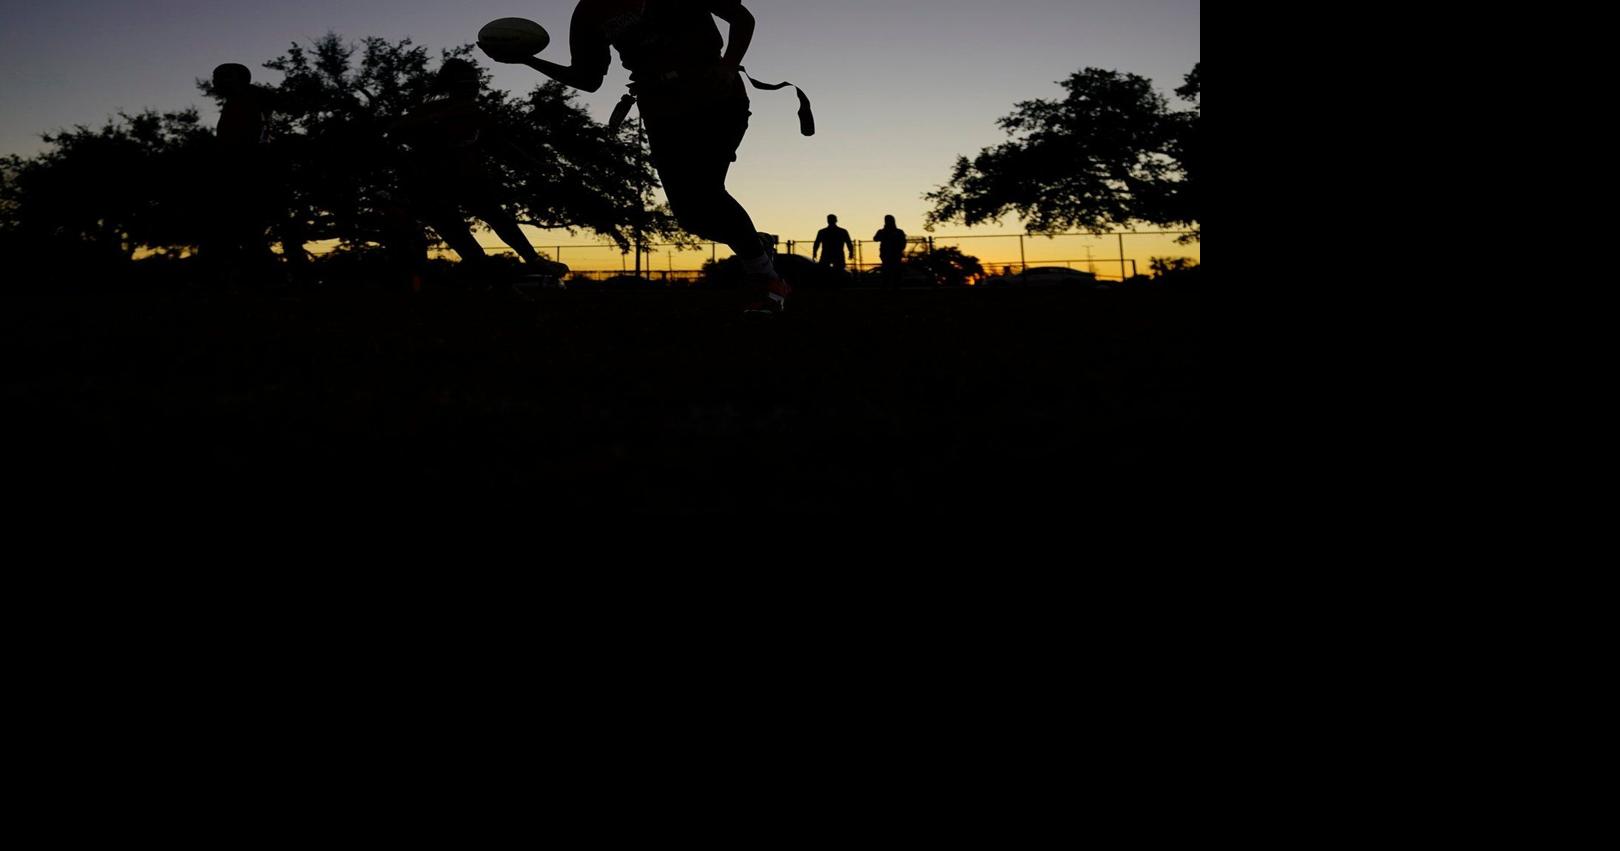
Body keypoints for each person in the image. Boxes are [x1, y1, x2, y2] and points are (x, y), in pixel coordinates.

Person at [488, 1, 791, 315]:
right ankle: (755, 244)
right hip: (661, 112)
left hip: (716, 98)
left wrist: (728, 65)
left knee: (706, 190)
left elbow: (741, 18)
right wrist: (528, 60)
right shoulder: (590, 11)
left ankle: (768, 283)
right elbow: (586, 78)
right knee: (690, 217)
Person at [386, 59, 568, 285]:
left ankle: (531, 258)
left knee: (498, 217)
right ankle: (496, 289)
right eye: (466, 82)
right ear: (453, 85)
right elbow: (395, 132)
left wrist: (537, 164)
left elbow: (503, 146)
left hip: (469, 182)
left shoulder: (477, 115)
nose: (473, 87)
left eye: (475, 82)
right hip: (432, 188)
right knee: (469, 248)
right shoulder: (430, 110)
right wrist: (440, 118)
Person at [205, 62, 311, 287]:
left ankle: (289, 279)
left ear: (241, 78)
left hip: (253, 171)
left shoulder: (252, 98)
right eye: (216, 77)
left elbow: (256, 134)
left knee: (260, 228)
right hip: (246, 170)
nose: (217, 81)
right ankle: (279, 278)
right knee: (251, 231)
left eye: (223, 76)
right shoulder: (237, 102)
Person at [873, 215, 907, 288]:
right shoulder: (883, 231)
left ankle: (894, 285)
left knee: (894, 270)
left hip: (894, 253)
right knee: (888, 270)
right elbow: (875, 238)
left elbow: (903, 242)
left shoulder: (898, 232)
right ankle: (888, 285)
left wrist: (900, 249)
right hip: (886, 254)